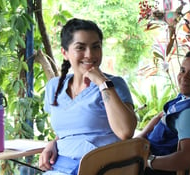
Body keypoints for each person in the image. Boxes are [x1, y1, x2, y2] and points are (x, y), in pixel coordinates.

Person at [38, 18, 137, 175]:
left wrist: (102, 83)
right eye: (80, 48)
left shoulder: (114, 84)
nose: (90, 55)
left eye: (96, 47)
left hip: (102, 169)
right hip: (62, 167)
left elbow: (125, 132)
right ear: (65, 53)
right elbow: (69, 130)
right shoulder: (54, 87)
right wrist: (54, 143)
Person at [136, 48, 190, 175]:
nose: (184, 77)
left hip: (156, 168)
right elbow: (162, 115)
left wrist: (148, 162)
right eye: (182, 70)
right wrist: (140, 137)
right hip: (146, 149)